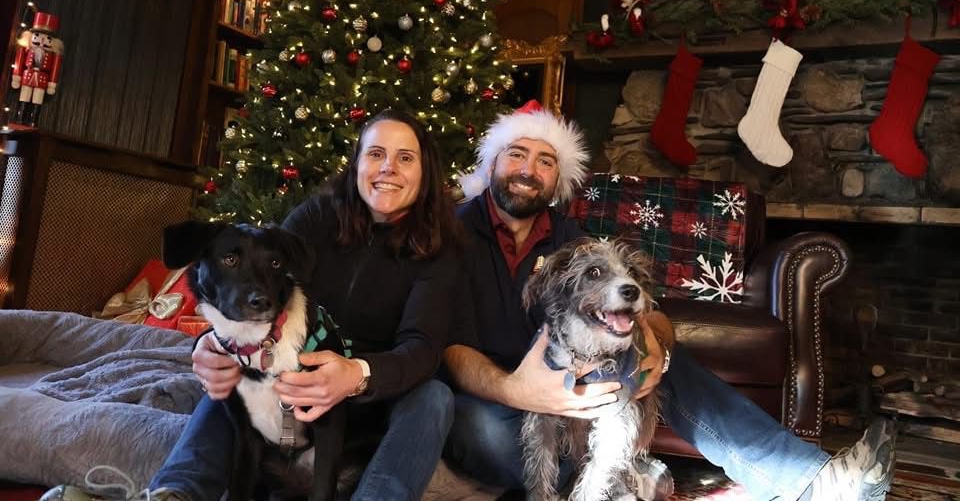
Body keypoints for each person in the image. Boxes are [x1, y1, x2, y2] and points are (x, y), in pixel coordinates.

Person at [442, 100, 897, 501]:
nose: (529, 169)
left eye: (545, 160)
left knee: (665, 361)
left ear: (558, 178)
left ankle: (808, 481)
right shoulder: (450, 235)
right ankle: (615, 475)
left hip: (573, 377)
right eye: (516, 153)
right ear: (491, 162)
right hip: (492, 391)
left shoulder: (572, 238)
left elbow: (645, 310)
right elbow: (446, 343)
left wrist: (656, 345)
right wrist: (515, 389)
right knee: (478, 430)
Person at [44, 109, 461, 501]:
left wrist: (357, 374)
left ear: (424, 173)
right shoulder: (320, 215)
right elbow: (255, 278)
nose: (388, 167)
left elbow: (422, 348)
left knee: (435, 396)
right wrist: (209, 346)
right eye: (376, 154)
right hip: (289, 367)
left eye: (405, 158)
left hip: (370, 403)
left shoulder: (438, 250)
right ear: (357, 166)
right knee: (230, 373)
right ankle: (177, 492)